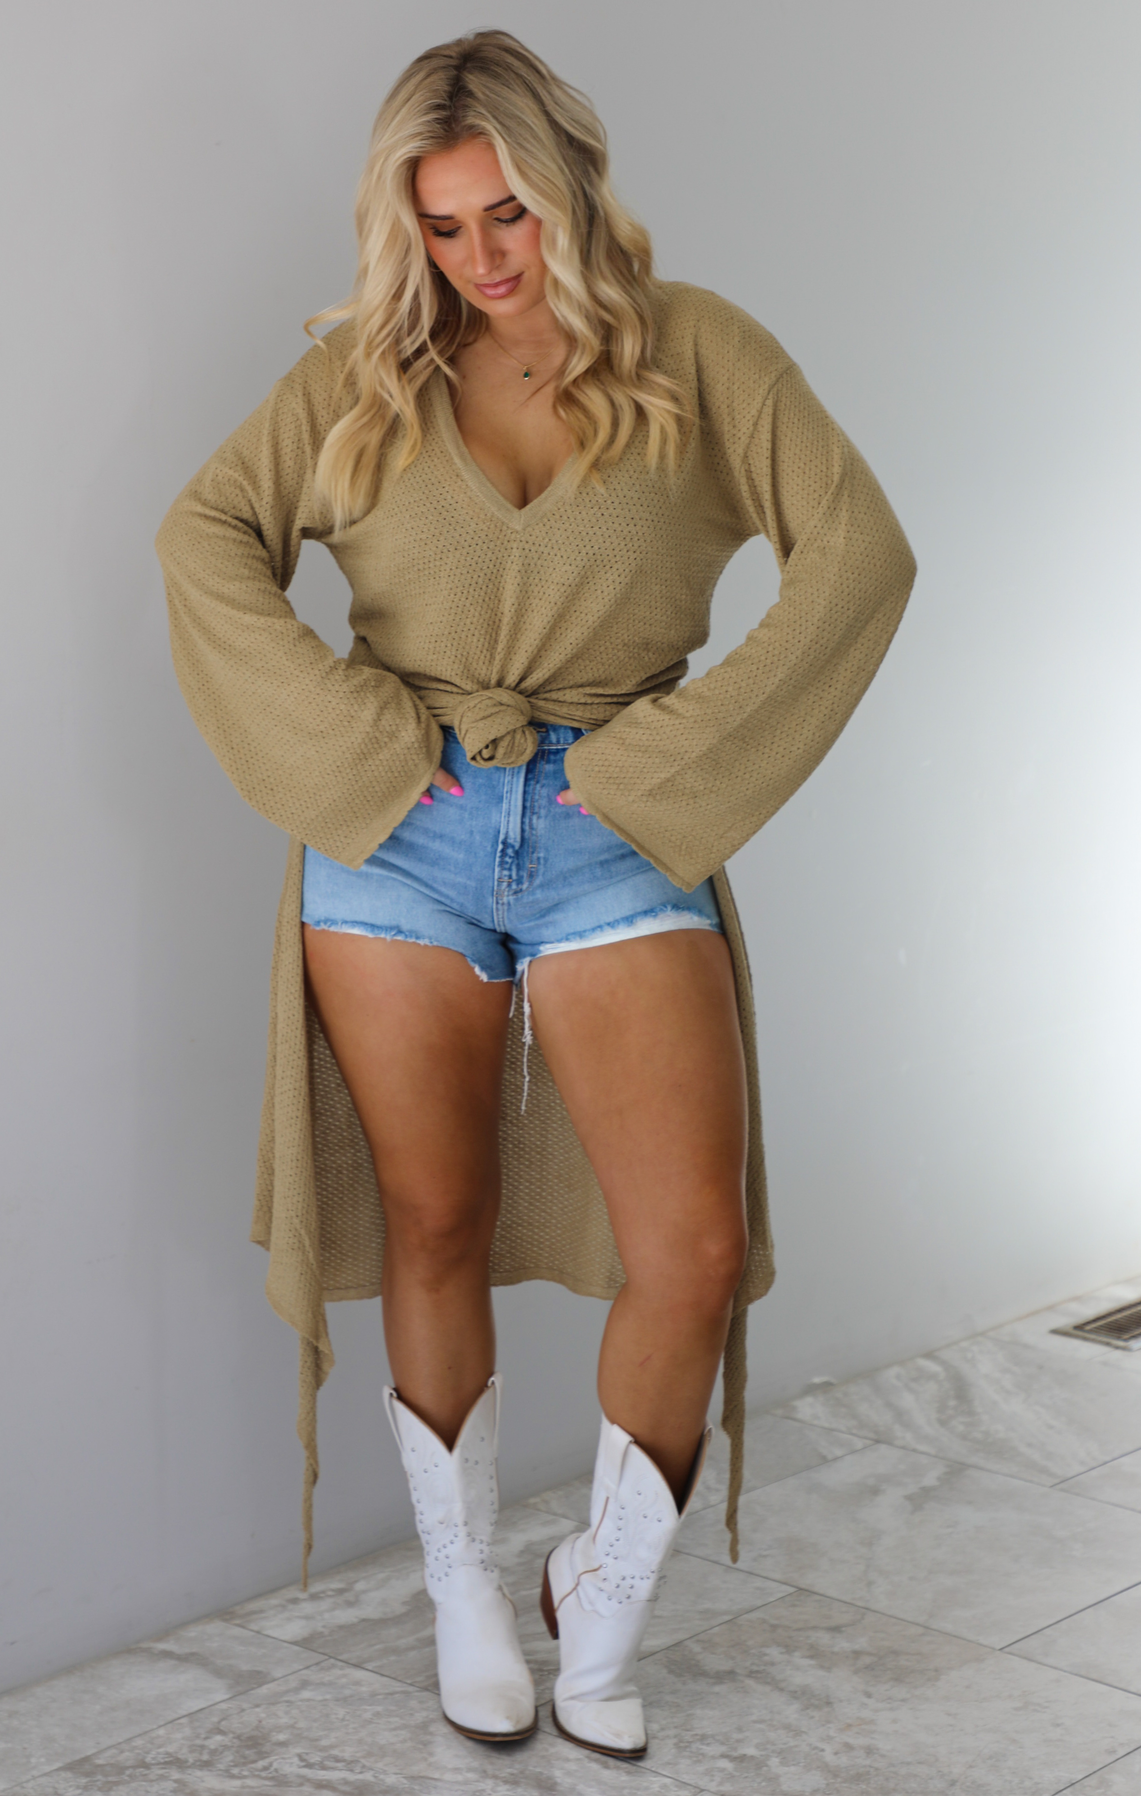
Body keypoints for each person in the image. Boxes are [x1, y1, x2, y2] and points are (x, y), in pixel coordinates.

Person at [155, 28, 916, 1760]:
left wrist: (659, 777)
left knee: (692, 1248)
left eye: (507, 212)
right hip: (395, 837)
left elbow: (862, 551)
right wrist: (356, 748)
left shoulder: (706, 355)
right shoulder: (362, 376)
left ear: (567, 185)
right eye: (443, 227)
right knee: (433, 1223)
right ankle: (466, 1601)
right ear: (404, 232)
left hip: (606, 837)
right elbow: (205, 534)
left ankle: (605, 1605)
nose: (484, 258)